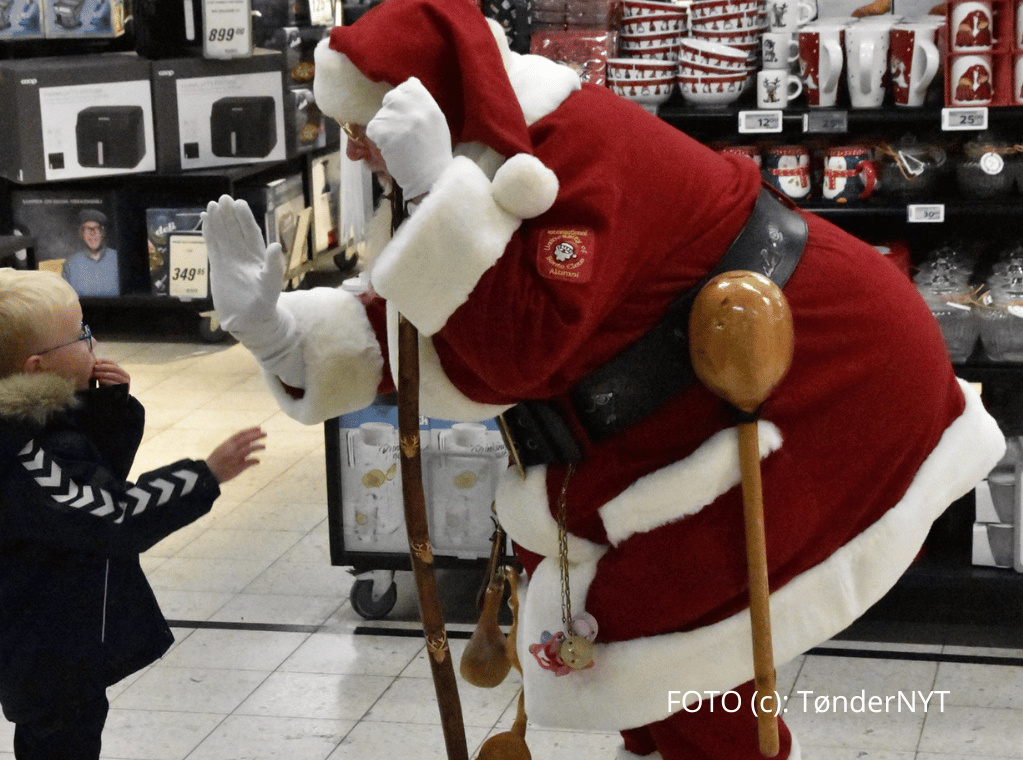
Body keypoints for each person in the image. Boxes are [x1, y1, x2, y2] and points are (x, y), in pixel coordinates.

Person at [200, 0, 1006, 757]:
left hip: (827, 373)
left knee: (669, 623)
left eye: (361, 126)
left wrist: (432, 192)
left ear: (427, 103)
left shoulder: (575, 152)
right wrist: (280, 332)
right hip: (679, 393)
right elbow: (431, 320)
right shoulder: (471, 155)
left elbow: (517, 351)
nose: (349, 149)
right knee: (623, 620)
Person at [0, 268, 267, 760]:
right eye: (81, 335)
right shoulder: (27, 453)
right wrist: (204, 476)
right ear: (36, 369)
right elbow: (115, 515)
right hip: (41, 639)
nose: (92, 341)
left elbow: (90, 481)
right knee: (62, 740)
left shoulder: (14, 423)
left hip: (43, 623)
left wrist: (108, 409)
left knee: (59, 736)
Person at [62, 209, 121, 296]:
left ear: (103, 233)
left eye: (96, 228)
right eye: (87, 229)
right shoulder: (70, 265)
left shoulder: (119, 259)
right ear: (81, 234)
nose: (92, 233)